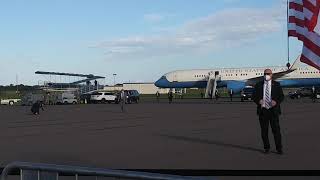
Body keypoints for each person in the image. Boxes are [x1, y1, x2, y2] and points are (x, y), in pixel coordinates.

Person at [252, 69, 284, 155]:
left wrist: (276, 101)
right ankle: (266, 148)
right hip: (263, 111)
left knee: (276, 131)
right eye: (265, 74)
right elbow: (254, 96)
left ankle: (279, 148)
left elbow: (281, 96)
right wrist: (258, 101)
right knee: (264, 131)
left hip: (273, 111)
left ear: (271, 74)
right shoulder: (258, 85)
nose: (267, 75)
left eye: (268, 74)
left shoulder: (277, 85)